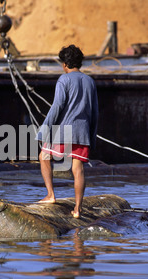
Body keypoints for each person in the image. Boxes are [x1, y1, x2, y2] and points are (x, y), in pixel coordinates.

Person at [36, 45, 99, 218]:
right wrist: (92, 139)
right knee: (77, 169)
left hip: (64, 131)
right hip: (83, 132)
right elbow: (95, 113)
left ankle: (50, 195)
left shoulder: (64, 80)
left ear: (64, 64)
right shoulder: (90, 82)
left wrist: (44, 131)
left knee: (44, 156)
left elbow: (57, 107)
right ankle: (77, 210)